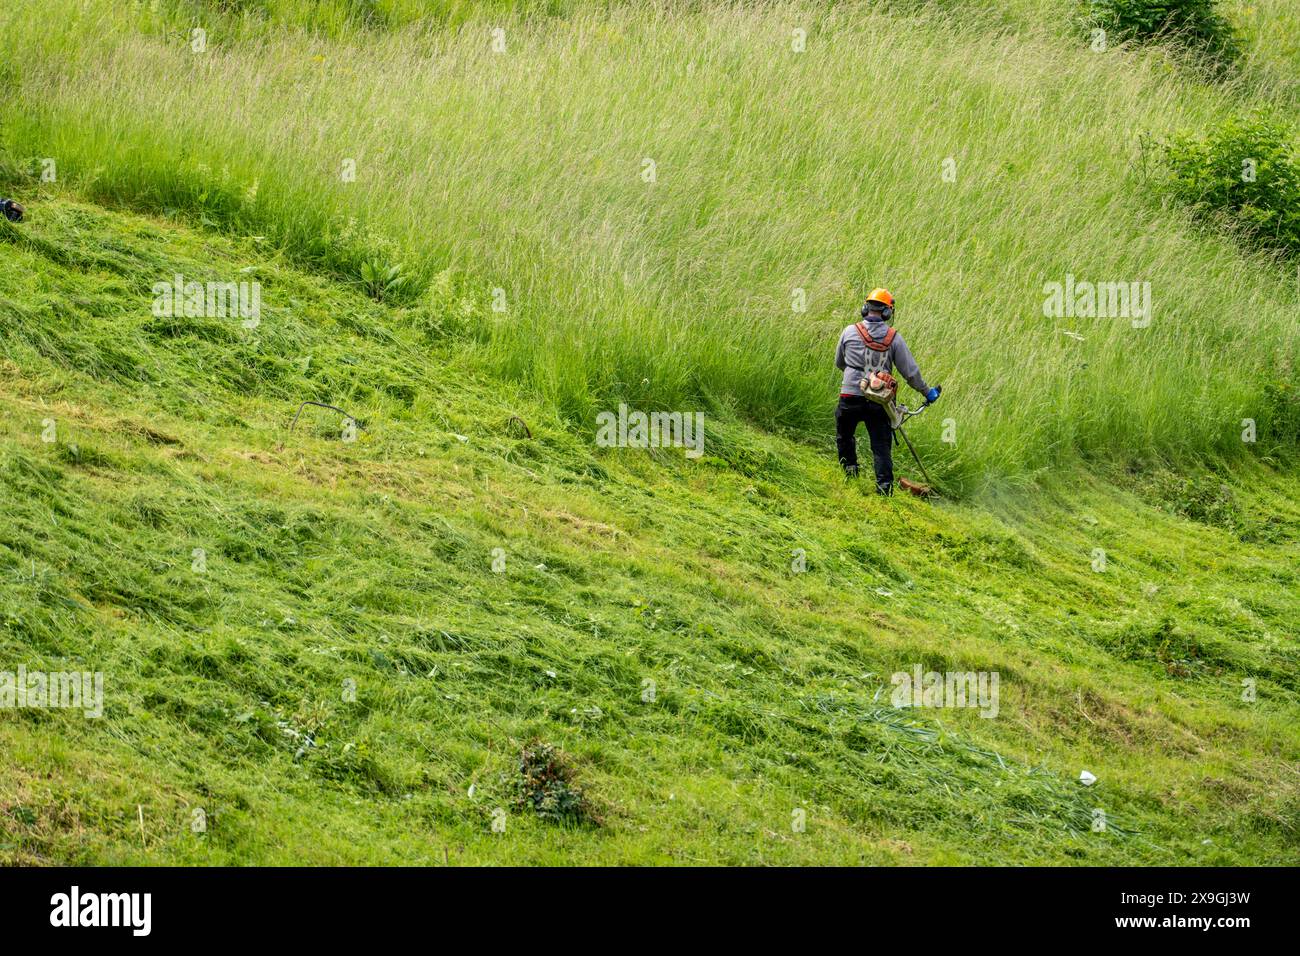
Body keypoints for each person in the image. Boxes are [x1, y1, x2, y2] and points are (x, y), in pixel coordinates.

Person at [834, 288, 939, 495]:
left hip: (849, 396)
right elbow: (910, 373)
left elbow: (840, 362)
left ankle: (849, 471)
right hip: (879, 402)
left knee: (844, 436)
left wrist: (855, 379)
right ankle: (884, 488)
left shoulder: (848, 331)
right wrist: (927, 392)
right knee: (881, 446)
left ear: (866, 308)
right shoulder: (894, 339)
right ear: (887, 313)